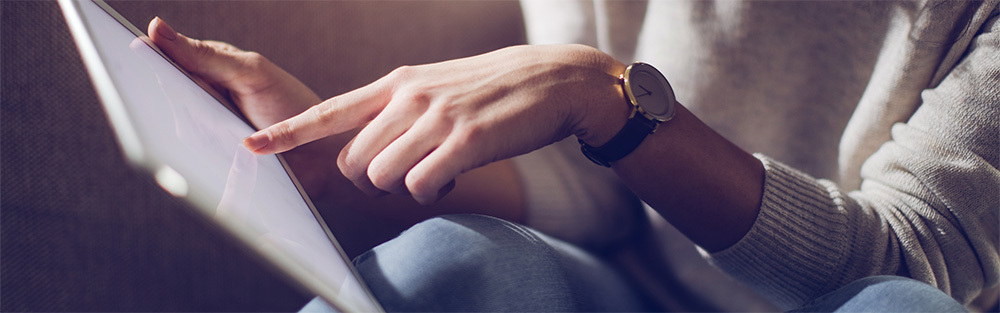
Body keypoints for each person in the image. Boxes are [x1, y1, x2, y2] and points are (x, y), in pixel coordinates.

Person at [145, 0, 998, 311]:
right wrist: (343, 155)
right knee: (452, 261)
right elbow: (595, 190)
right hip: (627, 287)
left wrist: (611, 97)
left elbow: (917, 259)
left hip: (851, 297)